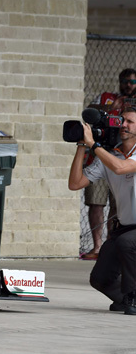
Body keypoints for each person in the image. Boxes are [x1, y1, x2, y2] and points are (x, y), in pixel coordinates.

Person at [68, 107, 136, 315]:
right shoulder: (110, 155)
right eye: (121, 120)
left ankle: (134, 296)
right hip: (125, 227)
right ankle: (128, 298)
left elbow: (121, 168)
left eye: (130, 122)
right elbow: (75, 183)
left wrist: (93, 145)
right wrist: (82, 146)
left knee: (127, 243)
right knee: (100, 279)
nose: (123, 124)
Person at [81, 68, 136, 259]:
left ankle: (113, 246)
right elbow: (88, 111)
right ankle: (97, 247)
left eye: (132, 82)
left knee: (118, 205)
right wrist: (112, 108)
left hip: (125, 158)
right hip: (101, 155)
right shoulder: (106, 97)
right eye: (125, 81)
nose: (128, 85)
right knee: (96, 202)